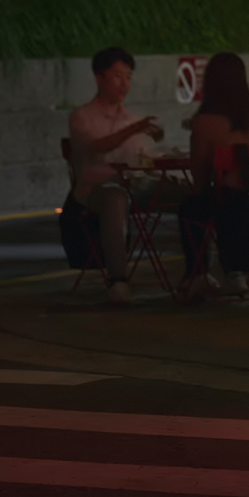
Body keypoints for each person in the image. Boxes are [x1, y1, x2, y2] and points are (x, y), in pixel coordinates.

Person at [67, 47, 162, 306]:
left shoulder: (133, 120)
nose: (124, 84)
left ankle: (201, 273)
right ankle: (118, 280)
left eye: (128, 77)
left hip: (136, 186)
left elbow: (146, 161)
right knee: (114, 197)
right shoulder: (81, 117)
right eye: (118, 76)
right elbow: (97, 147)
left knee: (192, 192)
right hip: (96, 191)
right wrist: (134, 129)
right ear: (99, 78)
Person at [179, 53, 249, 303]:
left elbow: (198, 174)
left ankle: (197, 274)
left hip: (226, 201)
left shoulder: (204, 121)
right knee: (217, 202)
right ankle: (235, 273)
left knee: (190, 208)